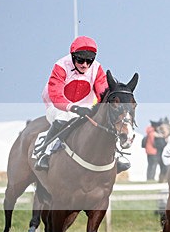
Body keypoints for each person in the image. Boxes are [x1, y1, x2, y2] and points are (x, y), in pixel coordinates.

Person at [35, 36, 128, 173]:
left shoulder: (96, 68)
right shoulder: (60, 67)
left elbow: (102, 92)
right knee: (63, 119)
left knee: (105, 121)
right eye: (80, 60)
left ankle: (116, 155)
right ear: (73, 57)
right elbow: (56, 96)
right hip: (57, 104)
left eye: (89, 60)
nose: (85, 65)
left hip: (85, 104)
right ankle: (44, 153)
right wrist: (74, 108)